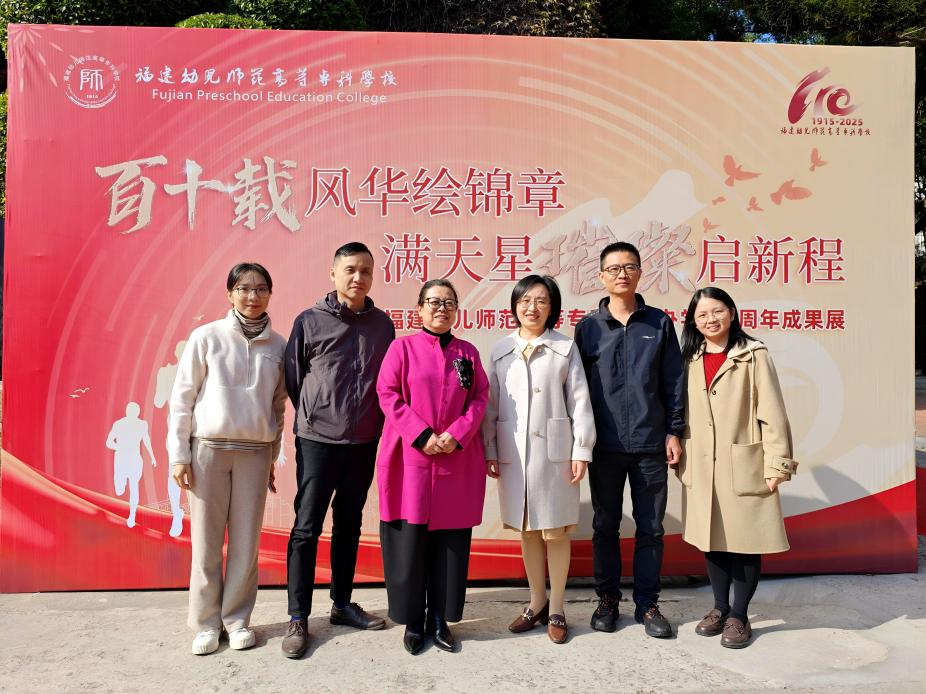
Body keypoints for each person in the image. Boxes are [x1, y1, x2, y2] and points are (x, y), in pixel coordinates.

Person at [281, 242, 395, 659]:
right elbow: (294, 378)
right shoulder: (309, 321)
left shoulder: (382, 325)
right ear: (333, 274)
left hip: (363, 441)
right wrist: (317, 413)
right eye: (350, 269)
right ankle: (298, 617)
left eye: (365, 270)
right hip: (318, 441)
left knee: (349, 524)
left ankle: (342, 604)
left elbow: (387, 381)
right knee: (306, 527)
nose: (358, 277)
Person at [168, 262, 287, 655]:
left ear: (270, 294)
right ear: (230, 293)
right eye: (244, 288)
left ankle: (237, 620)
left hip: (255, 454)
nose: (253, 296)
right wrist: (179, 455)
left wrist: (272, 456)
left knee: (245, 544)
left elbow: (278, 407)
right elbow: (182, 399)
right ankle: (205, 624)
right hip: (208, 450)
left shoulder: (279, 346)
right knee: (205, 543)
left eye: (261, 288)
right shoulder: (206, 337)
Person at [574, 241, 684, 639]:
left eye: (630, 267)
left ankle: (647, 603)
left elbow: (673, 380)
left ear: (640, 272)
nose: (622, 274)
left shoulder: (659, 323)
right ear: (601, 276)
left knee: (650, 528)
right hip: (604, 446)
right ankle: (607, 600)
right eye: (614, 268)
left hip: (650, 444)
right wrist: (579, 442)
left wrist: (674, 430)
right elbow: (577, 390)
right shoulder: (588, 328)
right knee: (604, 526)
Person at [678, 286, 798, 648]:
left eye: (717, 311)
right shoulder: (689, 358)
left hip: (743, 462)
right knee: (712, 539)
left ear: (731, 313)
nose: (710, 319)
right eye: (702, 315)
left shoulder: (753, 354)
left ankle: (739, 615)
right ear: (693, 322)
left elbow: (772, 412)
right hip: (702, 464)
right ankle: (719, 607)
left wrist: (777, 463)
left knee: (745, 541)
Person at [376, 279, 489, 655]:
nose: (442, 309)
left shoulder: (467, 352)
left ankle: (440, 619)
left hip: (455, 459)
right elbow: (387, 393)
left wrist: (457, 434)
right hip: (410, 459)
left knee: (449, 543)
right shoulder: (402, 348)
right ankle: (413, 620)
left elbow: (480, 396)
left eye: (449, 303)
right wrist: (422, 434)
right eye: (434, 302)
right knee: (411, 541)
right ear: (419, 309)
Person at [483, 275, 595, 644]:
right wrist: (490, 449)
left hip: (555, 456)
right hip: (514, 454)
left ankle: (558, 607)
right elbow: (491, 407)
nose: (532, 308)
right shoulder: (501, 350)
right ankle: (536, 602)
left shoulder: (564, 348)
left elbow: (580, 401)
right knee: (527, 530)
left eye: (541, 301)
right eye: (525, 301)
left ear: (552, 308)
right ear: (515, 306)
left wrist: (581, 450)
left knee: (556, 531)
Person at [106, 401, 157, 529]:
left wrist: (152, 456)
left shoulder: (142, 425)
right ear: (127, 412)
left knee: (134, 487)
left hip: (135, 459)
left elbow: (146, 440)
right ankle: (120, 484)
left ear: (137, 413)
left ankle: (132, 516)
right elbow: (109, 442)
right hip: (121, 459)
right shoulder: (119, 424)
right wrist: (119, 447)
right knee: (119, 491)